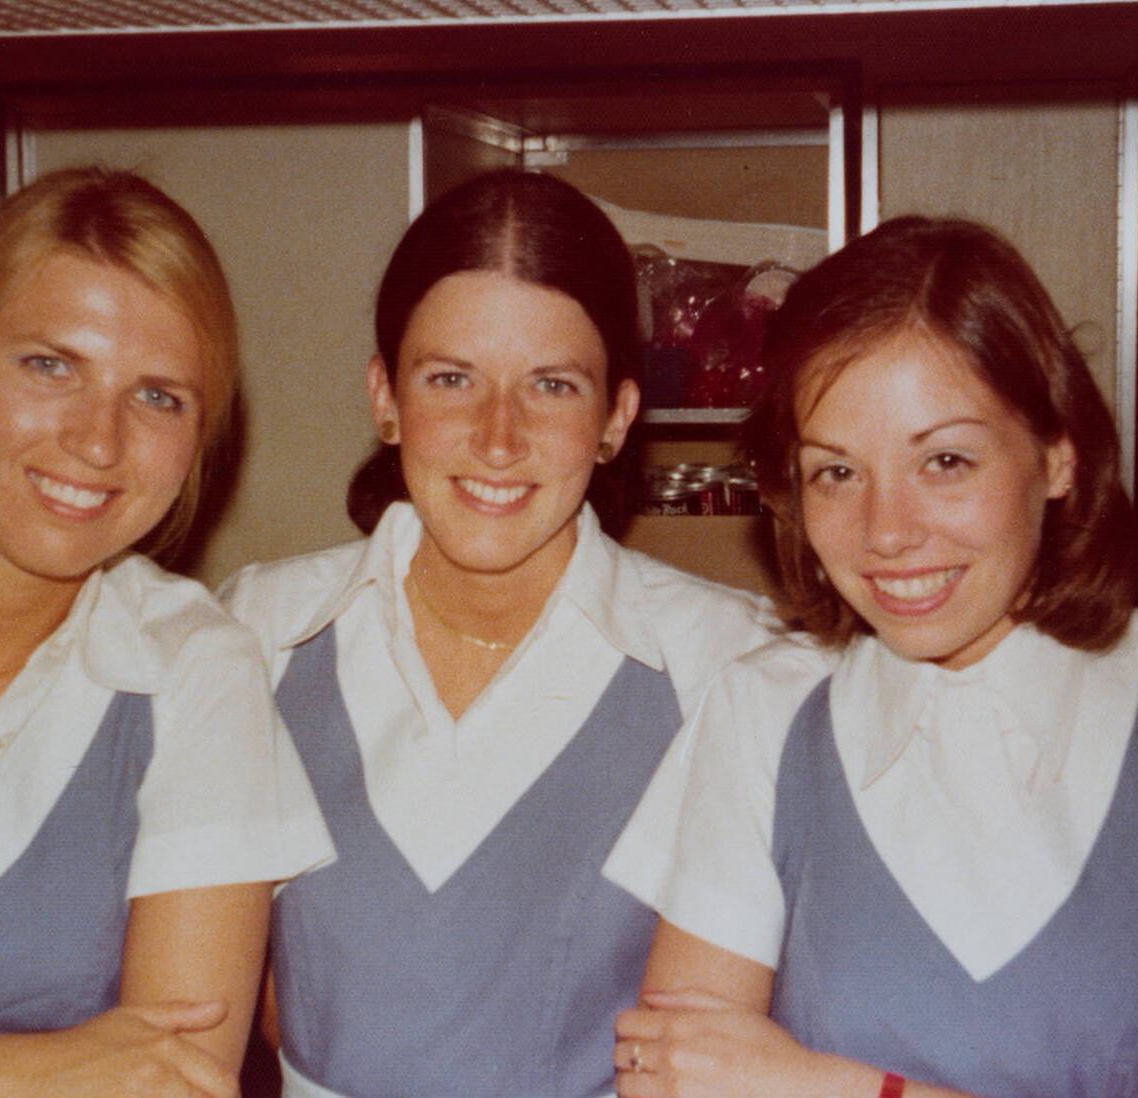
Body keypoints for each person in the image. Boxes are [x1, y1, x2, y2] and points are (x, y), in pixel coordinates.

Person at [607, 216, 1138, 1097]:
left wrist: (833, 1088)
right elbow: (677, 1075)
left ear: (1058, 456)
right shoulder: (763, 709)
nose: (886, 532)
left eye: (945, 461)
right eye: (837, 472)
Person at [220, 168, 778, 1098]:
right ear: (385, 397)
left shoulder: (731, 666)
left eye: (551, 386)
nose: (497, 437)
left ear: (617, 417)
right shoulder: (257, 634)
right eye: (451, 379)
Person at [0, 166, 333, 1098]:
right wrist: (23, 1072)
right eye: (51, 365)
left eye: (158, 397)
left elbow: (177, 1081)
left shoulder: (195, 667)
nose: (97, 440)